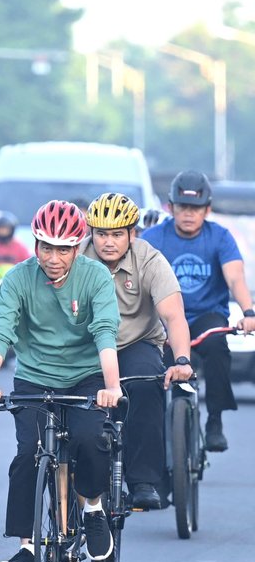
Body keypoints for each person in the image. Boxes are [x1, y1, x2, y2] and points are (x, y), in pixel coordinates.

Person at [0, 199, 122, 562]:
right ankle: (27, 548)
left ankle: (91, 507)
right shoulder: (18, 279)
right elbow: (1, 333)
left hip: (86, 376)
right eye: (45, 247)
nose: (53, 257)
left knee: (91, 439)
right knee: (28, 454)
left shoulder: (95, 277)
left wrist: (112, 386)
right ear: (35, 244)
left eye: (63, 249)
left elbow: (105, 333)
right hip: (35, 376)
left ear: (78, 247)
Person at [81, 193, 193, 510]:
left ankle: (144, 479)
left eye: (117, 234)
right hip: (86, 346)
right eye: (101, 233)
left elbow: (174, 316)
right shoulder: (76, 257)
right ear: (91, 233)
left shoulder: (149, 259)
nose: (108, 242)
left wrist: (182, 359)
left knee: (146, 383)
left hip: (135, 342)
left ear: (133, 233)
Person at [141, 170, 255, 452]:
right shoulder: (154, 237)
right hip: (164, 320)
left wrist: (249, 312)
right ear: (171, 207)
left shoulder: (220, 237)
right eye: (183, 207)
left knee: (217, 346)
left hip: (206, 316)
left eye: (196, 208)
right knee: (150, 369)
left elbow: (235, 277)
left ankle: (214, 420)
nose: (189, 214)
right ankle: (152, 435)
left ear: (208, 209)